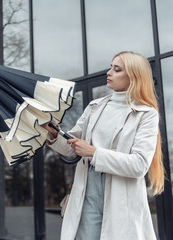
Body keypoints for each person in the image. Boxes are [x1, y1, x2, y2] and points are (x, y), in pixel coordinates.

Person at [43, 51, 165, 240]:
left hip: (120, 197)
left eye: (117, 69)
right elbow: (71, 146)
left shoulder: (146, 114)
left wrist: (94, 152)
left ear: (134, 75)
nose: (109, 72)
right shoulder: (95, 106)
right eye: (110, 67)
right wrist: (53, 134)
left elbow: (139, 165)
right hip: (87, 193)